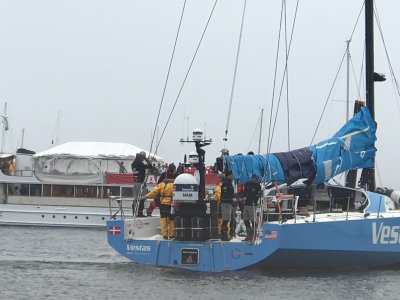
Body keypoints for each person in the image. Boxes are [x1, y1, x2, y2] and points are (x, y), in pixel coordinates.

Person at [142, 169, 175, 239]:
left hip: (163, 204)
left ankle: (165, 235)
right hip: (171, 204)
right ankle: (172, 235)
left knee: (163, 219)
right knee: (171, 220)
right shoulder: (174, 185)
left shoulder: (161, 184)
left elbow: (153, 192)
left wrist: (145, 196)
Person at [131, 151, 151, 217]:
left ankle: (134, 213)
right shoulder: (140, 164)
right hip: (141, 183)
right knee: (142, 198)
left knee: (135, 199)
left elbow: (136, 163)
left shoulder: (133, 164)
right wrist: (146, 159)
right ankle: (140, 213)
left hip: (135, 183)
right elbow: (150, 166)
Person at [243, 174, 262, 241]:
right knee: (245, 219)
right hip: (246, 204)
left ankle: (254, 235)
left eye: (257, 179)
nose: (257, 180)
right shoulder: (247, 184)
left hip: (253, 205)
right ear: (252, 178)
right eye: (256, 178)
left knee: (253, 220)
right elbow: (244, 193)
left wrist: (255, 199)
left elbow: (258, 195)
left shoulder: (258, 186)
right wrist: (243, 197)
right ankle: (249, 234)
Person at [220, 170, 235, 241]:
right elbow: (225, 194)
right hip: (225, 203)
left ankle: (226, 234)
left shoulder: (230, 183)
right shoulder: (225, 183)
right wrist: (232, 199)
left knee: (228, 219)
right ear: (228, 176)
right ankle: (223, 235)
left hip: (229, 203)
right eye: (231, 175)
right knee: (225, 219)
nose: (232, 176)